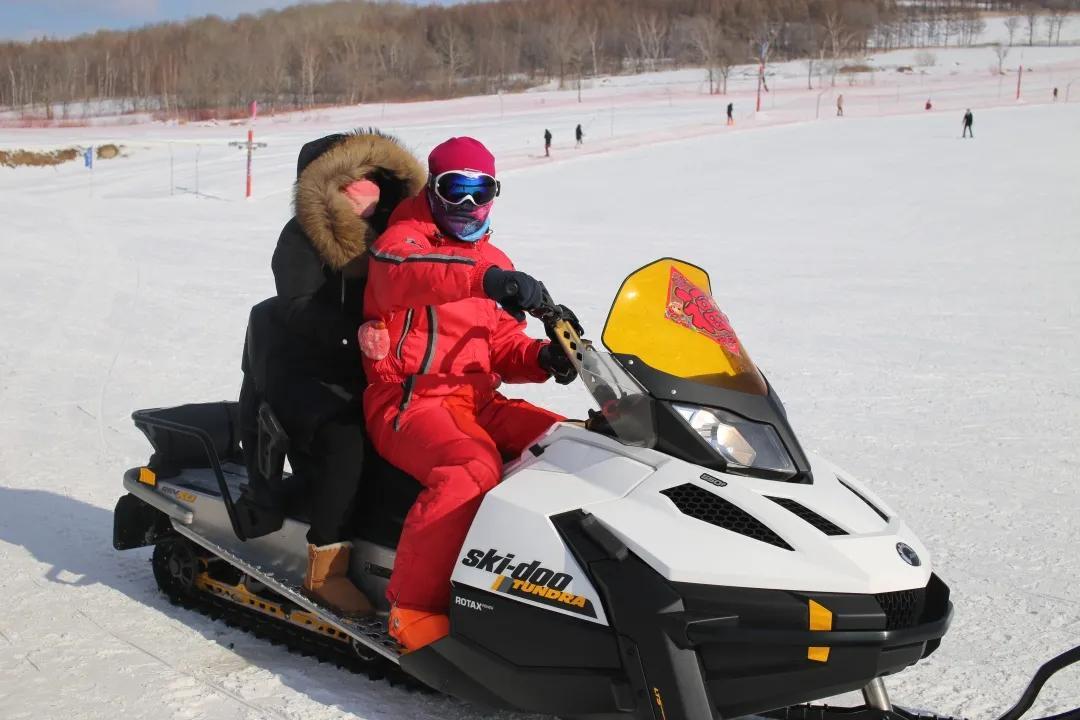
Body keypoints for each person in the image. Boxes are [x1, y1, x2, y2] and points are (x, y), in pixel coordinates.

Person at [361, 136, 577, 651]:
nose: (466, 204)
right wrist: (489, 279)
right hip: (409, 401)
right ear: (433, 188)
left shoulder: (491, 256)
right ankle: (412, 610)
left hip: (477, 400)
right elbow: (415, 275)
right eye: (453, 188)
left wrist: (541, 359)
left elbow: (497, 344)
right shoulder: (402, 243)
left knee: (573, 445)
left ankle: (556, 591)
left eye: (478, 190)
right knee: (470, 471)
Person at [258, 131, 425, 616]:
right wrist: (356, 333)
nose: (366, 188)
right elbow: (296, 309)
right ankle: (324, 565)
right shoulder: (301, 238)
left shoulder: (400, 235)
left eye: (373, 177)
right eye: (352, 180)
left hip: (380, 370)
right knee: (348, 438)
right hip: (308, 374)